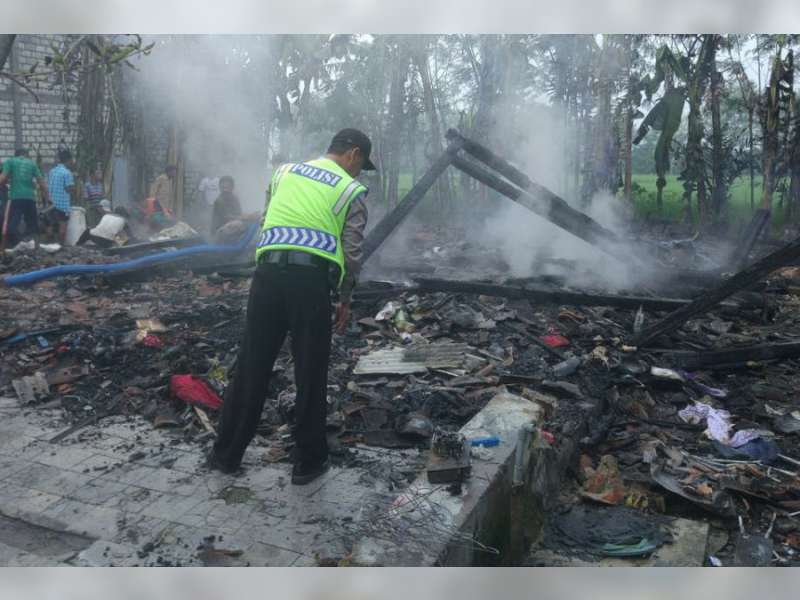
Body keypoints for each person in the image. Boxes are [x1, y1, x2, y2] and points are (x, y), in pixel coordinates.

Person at [208, 128, 375, 484]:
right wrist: (345, 297)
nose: (359, 173)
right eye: (361, 165)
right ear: (353, 154)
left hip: (266, 276)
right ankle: (309, 462)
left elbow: (271, 219)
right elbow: (352, 253)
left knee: (251, 365)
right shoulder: (350, 190)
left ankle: (226, 456)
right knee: (310, 372)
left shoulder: (285, 172)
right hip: (309, 282)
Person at [0, 148, 50, 249]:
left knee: (10, 227)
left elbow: (3, 178)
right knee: (33, 226)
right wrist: (48, 197)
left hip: (16, 198)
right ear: (26, 155)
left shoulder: (10, 161)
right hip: (30, 198)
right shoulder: (32, 164)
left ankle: (17, 244)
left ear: (16, 155)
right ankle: (37, 249)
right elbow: (42, 183)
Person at [47, 149, 76, 244]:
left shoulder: (52, 171)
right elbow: (69, 189)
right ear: (69, 160)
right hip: (62, 206)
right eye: (72, 160)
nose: (73, 162)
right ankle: (60, 247)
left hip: (51, 204)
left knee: (50, 225)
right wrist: (74, 188)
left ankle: (50, 245)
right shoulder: (67, 173)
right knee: (62, 228)